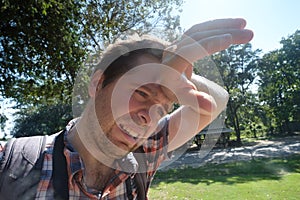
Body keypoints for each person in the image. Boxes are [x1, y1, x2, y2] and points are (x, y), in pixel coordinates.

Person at [0, 18, 253, 199]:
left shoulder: (146, 152)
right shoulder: (10, 163)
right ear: (98, 83)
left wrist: (179, 73)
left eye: (162, 109)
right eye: (141, 92)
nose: (148, 117)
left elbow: (218, 99)